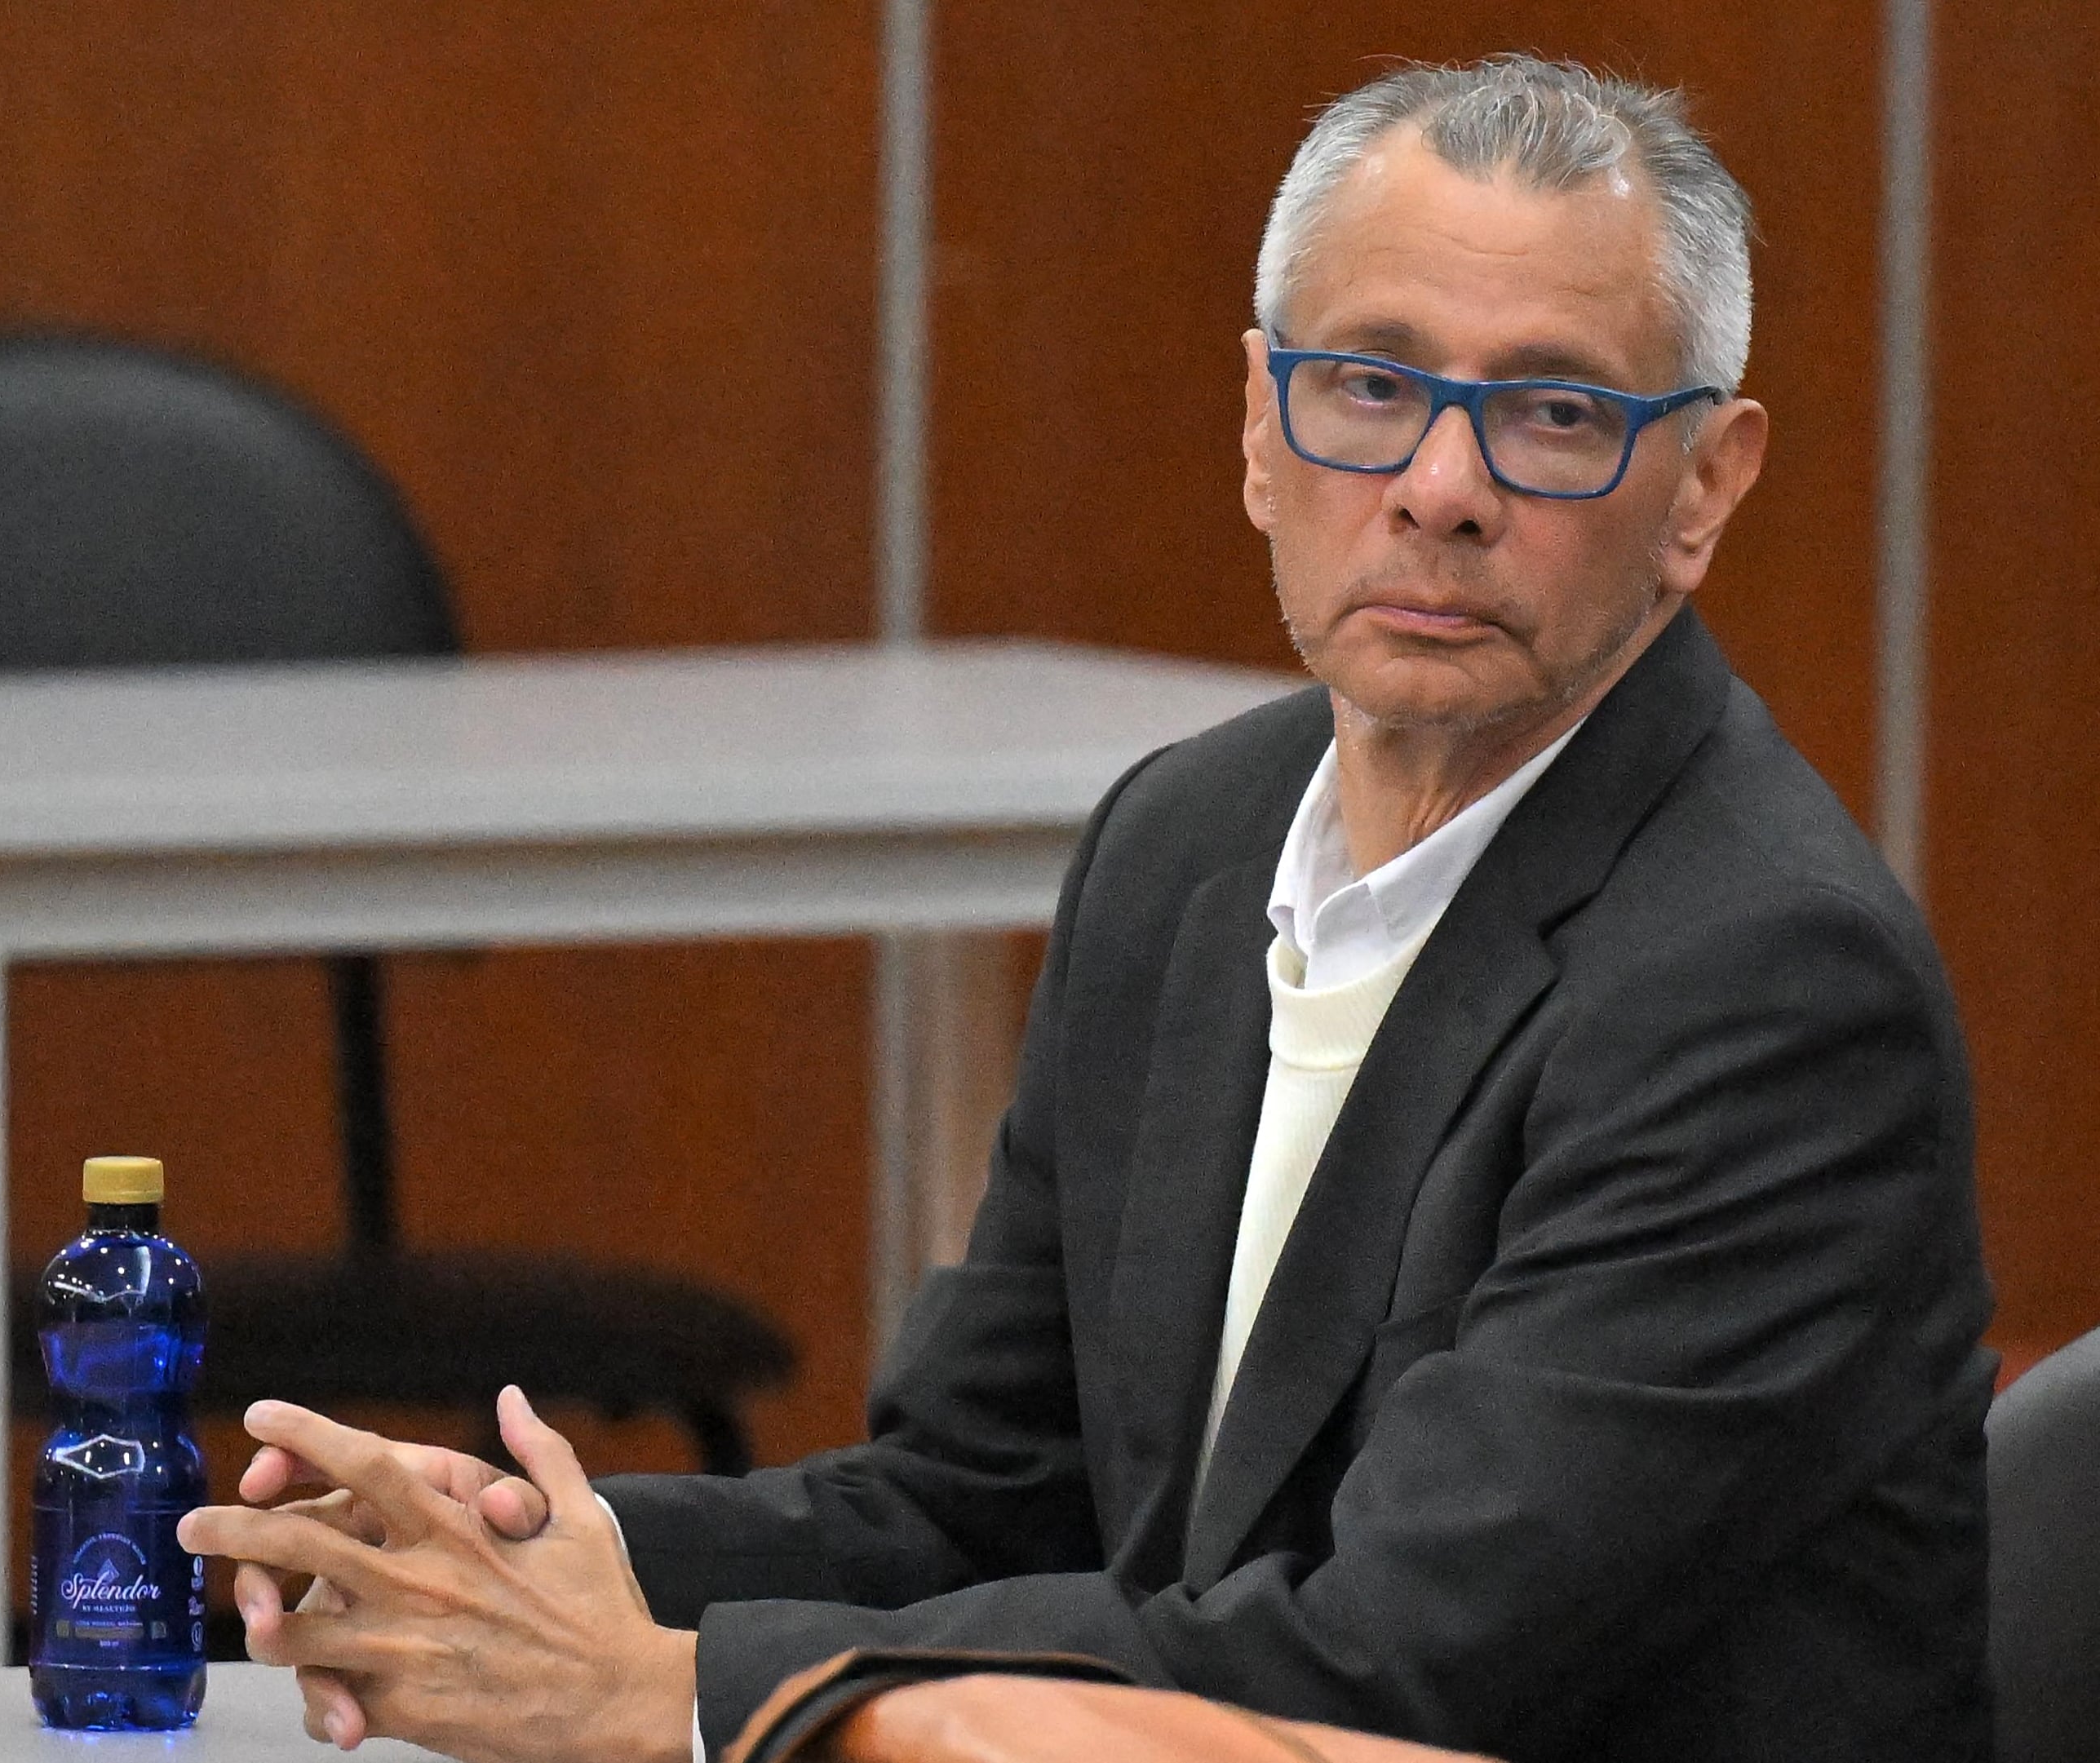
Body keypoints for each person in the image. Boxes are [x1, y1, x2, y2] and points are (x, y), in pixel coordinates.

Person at [179, 55, 1996, 1763]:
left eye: (1556, 414)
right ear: (1262, 428)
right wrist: (514, 1552)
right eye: (1370, 387)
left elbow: (1394, 1666)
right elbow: (984, 1501)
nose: (1442, 491)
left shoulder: (1763, 985)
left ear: (1703, 489)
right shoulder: (1184, 847)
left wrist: (676, 1694)